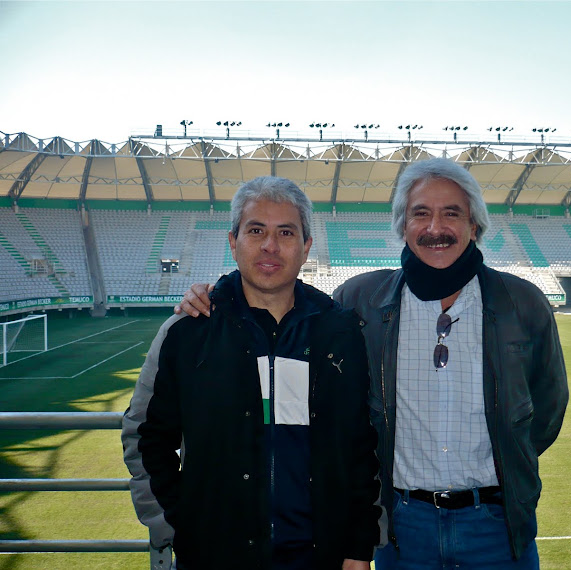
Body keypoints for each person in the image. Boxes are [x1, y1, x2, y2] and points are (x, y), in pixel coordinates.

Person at [178, 159, 569, 569]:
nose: (435, 228)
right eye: (421, 213)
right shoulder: (360, 299)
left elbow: (546, 410)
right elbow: (281, 297)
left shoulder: (522, 304)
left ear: (474, 226)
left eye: (452, 213)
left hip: (497, 525)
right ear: (403, 226)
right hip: (402, 528)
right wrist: (214, 296)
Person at [122, 176, 381, 569]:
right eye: (256, 230)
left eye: (286, 232)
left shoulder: (339, 332)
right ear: (233, 241)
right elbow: (145, 437)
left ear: (306, 247)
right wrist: (178, 527)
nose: (270, 246)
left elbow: (361, 449)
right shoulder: (189, 331)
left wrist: (357, 547)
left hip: (319, 558)